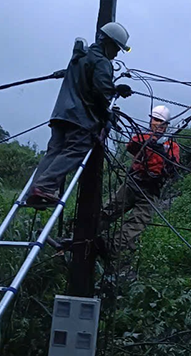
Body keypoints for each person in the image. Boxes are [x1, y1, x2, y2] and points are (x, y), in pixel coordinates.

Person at [26, 22, 133, 209]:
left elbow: (85, 82)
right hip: (80, 118)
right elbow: (101, 92)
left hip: (61, 114)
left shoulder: (80, 57)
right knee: (76, 149)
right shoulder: (102, 62)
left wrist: (114, 88)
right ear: (107, 42)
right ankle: (45, 187)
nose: (116, 54)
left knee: (54, 151)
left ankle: (35, 191)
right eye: (116, 48)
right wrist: (107, 114)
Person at [101, 105, 181, 254]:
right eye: (155, 120)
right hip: (133, 183)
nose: (157, 124)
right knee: (110, 209)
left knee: (139, 221)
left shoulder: (171, 146)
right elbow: (131, 146)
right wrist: (149, 142)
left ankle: (110, 247)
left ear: (166, 125)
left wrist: (162, 151)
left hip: (151, 190)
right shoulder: (143, 137)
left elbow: (173, 166)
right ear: (151, 121)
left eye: (161, 122)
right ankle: (85, 234)